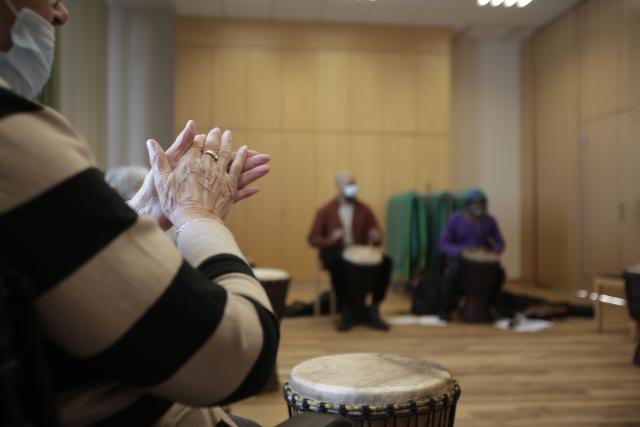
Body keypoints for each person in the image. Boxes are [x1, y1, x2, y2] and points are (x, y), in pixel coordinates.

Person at [0, 1, 277, 426]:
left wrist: (145, 212)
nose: (61, 12)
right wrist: (199, 217)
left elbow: (49, 268)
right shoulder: (12, 137)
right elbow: (239, 355)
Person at [308, 171, 392, 332]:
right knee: (336, 263)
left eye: (354, 184)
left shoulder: (364, 209)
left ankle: (374, 308)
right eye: (348, 185)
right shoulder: (325, 210)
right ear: (338, 187)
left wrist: (375, 237)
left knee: (386, 261)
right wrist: (331, 239)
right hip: (336, 252)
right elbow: (313, 239)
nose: (352, 188)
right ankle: (346, 310)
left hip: (358, 252)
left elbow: (378, 237)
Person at [437, 189, 506, 320]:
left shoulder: (489, 220)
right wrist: (461, 250)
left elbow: (500, 243)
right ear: (467, 205)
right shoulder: (455, 219)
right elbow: (442, 243)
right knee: (453, 274)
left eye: (481, 204)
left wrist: (493, 251)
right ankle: (445, 308)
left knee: (500, 273)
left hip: (482, 259)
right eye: (476, 204)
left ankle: (493, 305)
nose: (479, 207)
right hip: (461, 259)